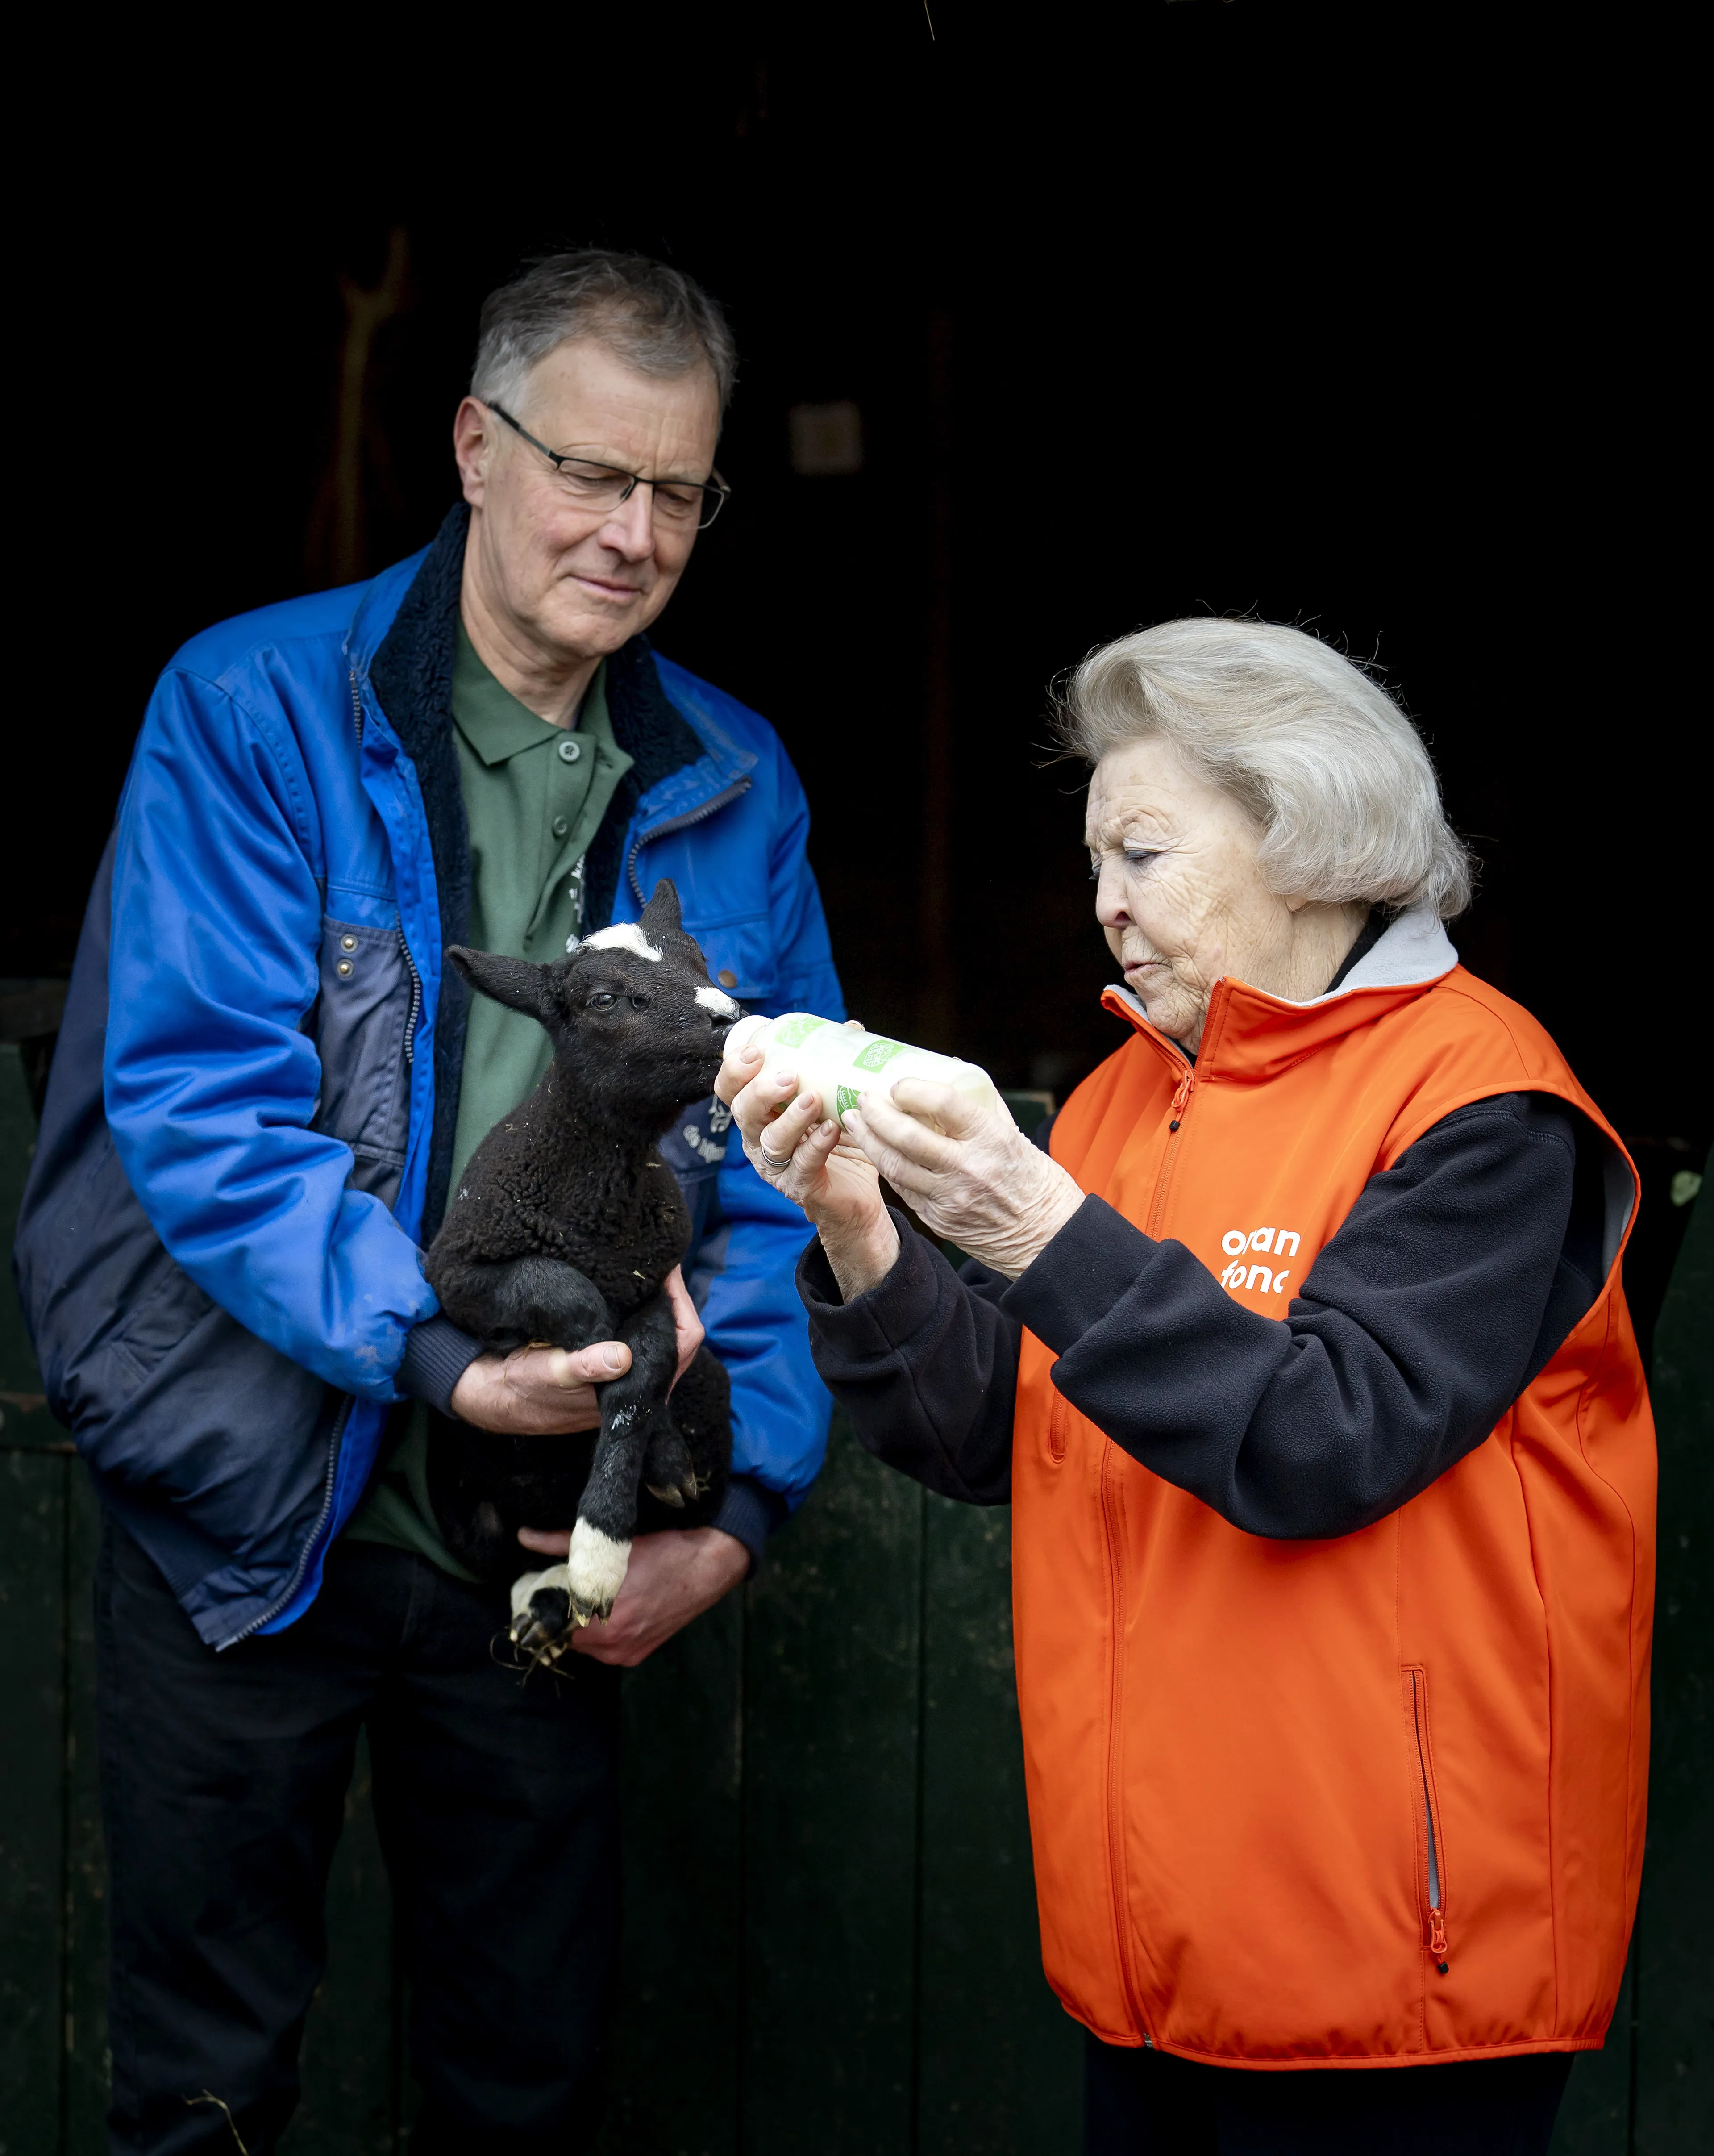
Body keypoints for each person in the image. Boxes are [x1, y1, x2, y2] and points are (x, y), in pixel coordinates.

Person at [16, 250, 842, 2155]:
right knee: (204, 2091)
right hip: (244, 1497)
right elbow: (203, 1108)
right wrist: (437, 1353)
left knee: (524, 2089)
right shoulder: (253, 704)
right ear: (476, 448)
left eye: (681, 491)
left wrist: (738, 1510)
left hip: (543, 1542)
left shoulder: (731, 778)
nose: (634, 534)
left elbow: (790, 1172)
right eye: (591, 474)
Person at [721, 618, 1653, 2156]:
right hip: (1147, 1963)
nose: (1103, 901)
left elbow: (1322, 1438)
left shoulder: (1486, 1100)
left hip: (1403, 1983)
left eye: (1142, 852)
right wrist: (860, 1229)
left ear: (1307, 839)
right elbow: (992, 1435)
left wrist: (1034, 1222)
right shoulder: (1120, 1096)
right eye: (1095, 856)